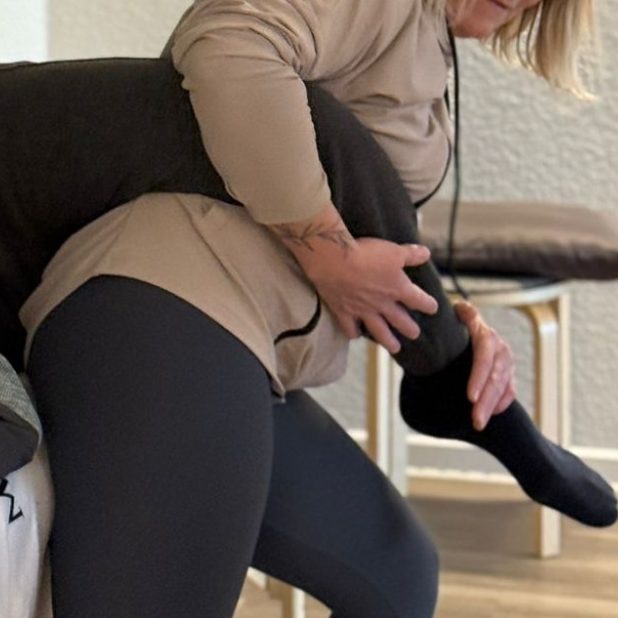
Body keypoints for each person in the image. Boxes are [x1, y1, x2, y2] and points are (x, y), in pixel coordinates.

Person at [17, 1, 614, 617]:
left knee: (396, 576)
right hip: (169, 300)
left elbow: (361, 204)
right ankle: (448, 377)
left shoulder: (424, 38)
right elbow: (232, 40)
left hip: (246, 340)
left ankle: (446, 369)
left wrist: (448, 316)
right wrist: (325, 253)